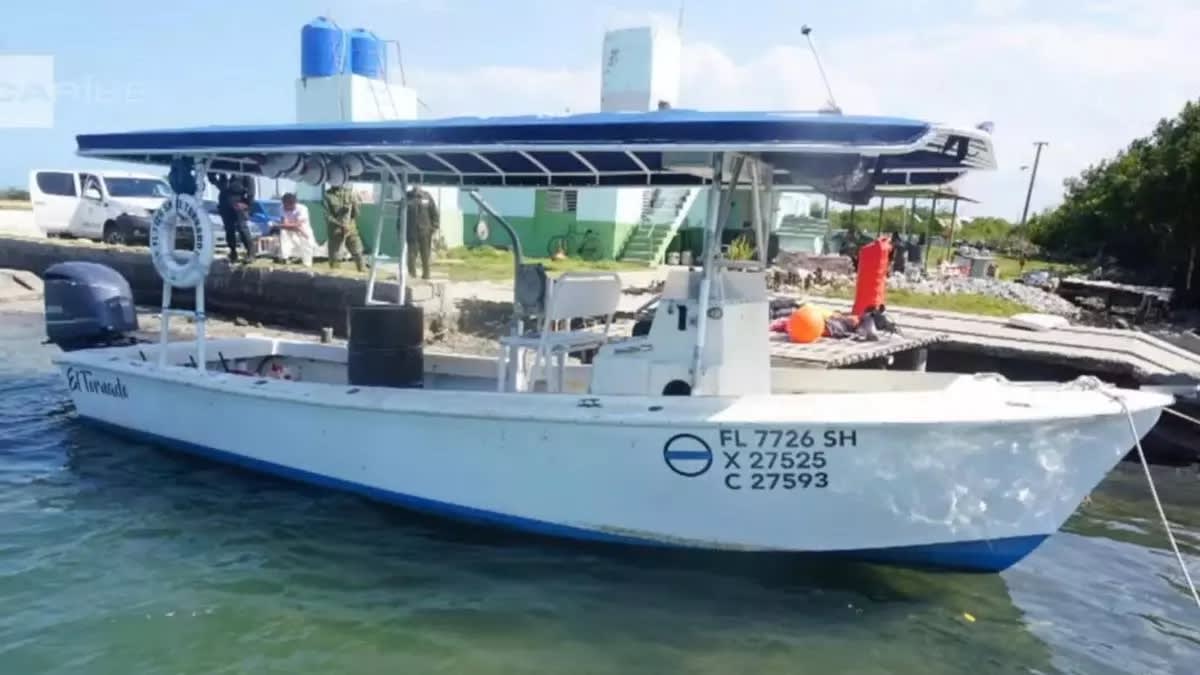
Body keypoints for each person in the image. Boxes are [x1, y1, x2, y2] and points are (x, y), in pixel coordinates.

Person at [214, 174, 256, 263]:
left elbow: (251, 190)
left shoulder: (242, 171)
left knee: (242, 228)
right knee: (229, 229)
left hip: (239, 202)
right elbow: (211, 175)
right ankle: (233, 252)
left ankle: (250, 252)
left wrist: (247, 204)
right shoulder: (222, 171)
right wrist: (216, 182)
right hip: (224, 203)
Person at [323, 184, 364, 272]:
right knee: (335, 256)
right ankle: (334, 274)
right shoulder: (327, 195)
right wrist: (341, 224)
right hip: (335, 230)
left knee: (357, 251)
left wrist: (355, 204)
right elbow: (327, 216)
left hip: (350, 228)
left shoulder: (350, 193)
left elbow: (356, 213)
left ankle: (362, 270)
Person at [403, 185, 440, 280]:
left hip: (425, 231)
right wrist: (400, 229)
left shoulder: (427, 196)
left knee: (425, 255)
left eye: (418, 184)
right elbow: (401, 214)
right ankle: (412, 276)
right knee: (411, 256)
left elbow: (434, 212)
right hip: (411, 232)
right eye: (414, 184)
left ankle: (426, 275)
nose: (416, 186)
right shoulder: (407, 197)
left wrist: (434, 227)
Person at [276, 193, 315, 267]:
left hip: (304, 229)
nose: (285, 206)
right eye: (284, 204)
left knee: (307, 245)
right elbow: (285, 223)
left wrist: (280, 225)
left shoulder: (302, 208)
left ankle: (307, 263)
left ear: (293, 203)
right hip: (290, 229)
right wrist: (285, 225)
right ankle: (285, 258)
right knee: (283, 233)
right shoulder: (282, 208)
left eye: (287, 204)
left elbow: (298, 224)